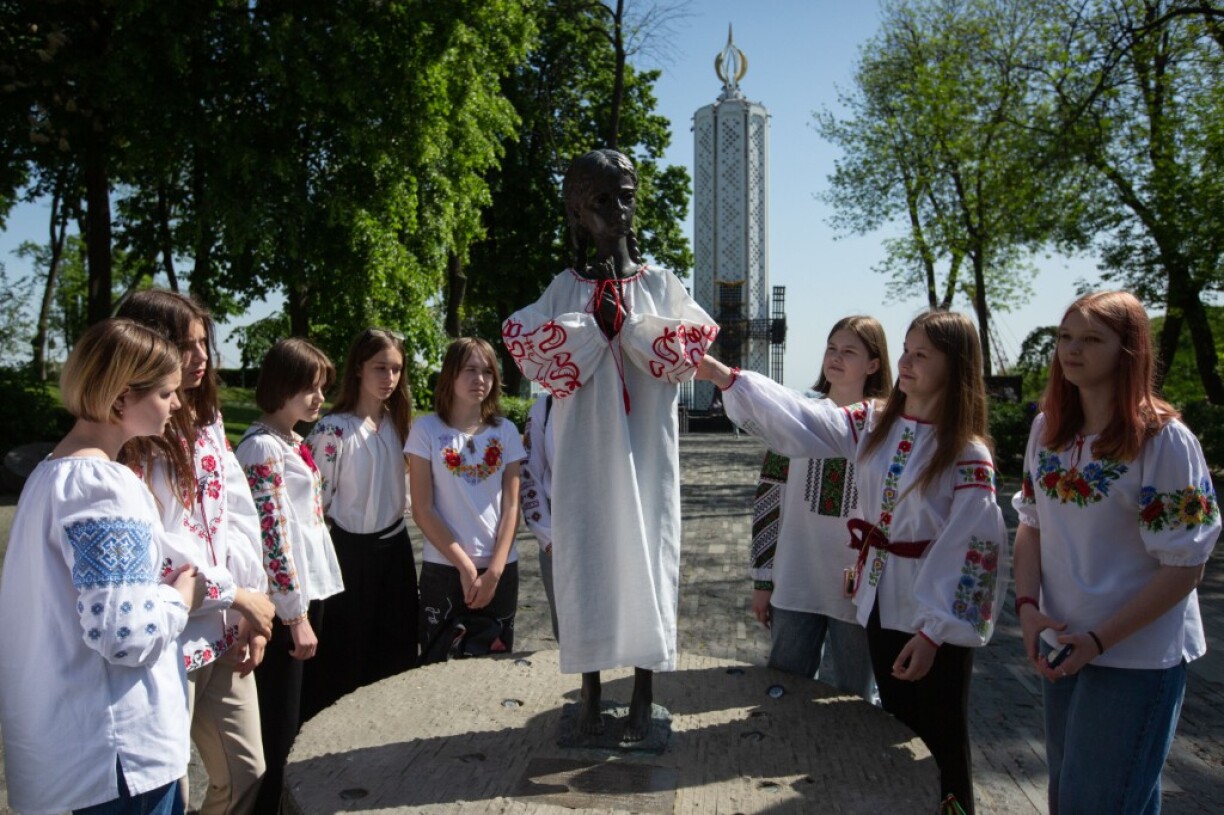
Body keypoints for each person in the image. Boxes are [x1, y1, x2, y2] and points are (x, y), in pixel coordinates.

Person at [698, 309, 1008, 814]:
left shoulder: (966, 452)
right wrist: (721, 375)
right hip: (879, 603)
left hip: (931, 621)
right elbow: (803, 420)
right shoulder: (872, 425)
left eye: (921, 354)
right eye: (905, 350)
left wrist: (933, 634)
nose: (906, 361)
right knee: (884, 729)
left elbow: (976, 553)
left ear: (954, 366)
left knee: (939, 739)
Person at [502, 149, 718, 741]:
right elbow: (531, 353)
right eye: (602, 201)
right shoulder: (563, 290)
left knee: (649, 552)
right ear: (577, 214)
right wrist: (596, 332)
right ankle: (591, 692)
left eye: (626, 197)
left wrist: (633, 333)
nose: (618, 211)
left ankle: (645, 691)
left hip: (647, 453)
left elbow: (690, 348)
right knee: (587, 555)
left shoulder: (659, 285)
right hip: (583, 458)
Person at [1012, 291, 1219, 814]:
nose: (1071, 350)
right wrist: (1029, 610)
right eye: (1065, 337)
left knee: (1097, 803)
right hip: (1061, 641)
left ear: (1128, 350)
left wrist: (1099, 640)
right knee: (1075, 797)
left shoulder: (1163, 441)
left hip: (1135, 656)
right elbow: (1031, 527)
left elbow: (1186, 566)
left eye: (1091, 340)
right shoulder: (1048, 430)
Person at [0, 319, 203, 815]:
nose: (176, 405)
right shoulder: (102, 487)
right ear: (120, 398)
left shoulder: (50, 475)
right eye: (165, 393)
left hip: (72, 751)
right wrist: (180, 599)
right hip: (117, 760)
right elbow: (124, 633)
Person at [116, 290, 275, 815]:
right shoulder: (129, 439)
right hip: (167, 637)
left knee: (247, 770)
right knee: (167, 787)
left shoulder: (207, 421)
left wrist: (250, 602)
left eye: (204, 342)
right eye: (185, 346)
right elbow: (153, 548)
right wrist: (233, 595)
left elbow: (235, 514)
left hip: (224, 625)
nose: (201, 357)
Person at [749, 316, 890, 701]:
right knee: (783, 687)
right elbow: (768, 499)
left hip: (855, 588)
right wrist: (763, 580)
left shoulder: (885, 428)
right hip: (795, 576)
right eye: (832, 348)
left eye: (849, 351)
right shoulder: (795, 416)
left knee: (857, 697)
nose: (836, 358)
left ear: (873, 364)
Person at [234, 339, 346, 815]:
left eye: (322, 386)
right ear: (281, 385)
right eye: (308, 386)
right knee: (279, 728)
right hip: (285, 606)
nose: (319, 397)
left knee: (300, 719)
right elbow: (272, 536)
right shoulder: (261, 447)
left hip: (307, 593)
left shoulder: (292, 442)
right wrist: (294, 613)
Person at [303, 327, 417, 719]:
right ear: (358, 370)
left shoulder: (402, 426)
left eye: (396, 370)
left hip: (395, 552)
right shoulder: (333, 430)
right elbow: (316, 505)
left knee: (396, 650)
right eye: (380, 368)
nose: (389, 378)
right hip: (348, 553)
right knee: (344, 655)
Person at [406, 337, 525, 662]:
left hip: (500, 571)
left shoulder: (506, 432)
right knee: (437, 667)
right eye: (470, 370)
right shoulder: (426, 430)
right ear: (450, 375)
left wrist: (495, 573)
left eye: (488, 371)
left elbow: (512, 506)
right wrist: (465, 567)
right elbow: (422, 508)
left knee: (493, 672)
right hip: (445, 569)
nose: (480, 379)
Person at [520, 393, 560, 640]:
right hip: (558, 526)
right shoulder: (545, 408)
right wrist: (548, 539)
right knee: (568, 632)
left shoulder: (617, 396)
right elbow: (529, 474)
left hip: (612, 528)